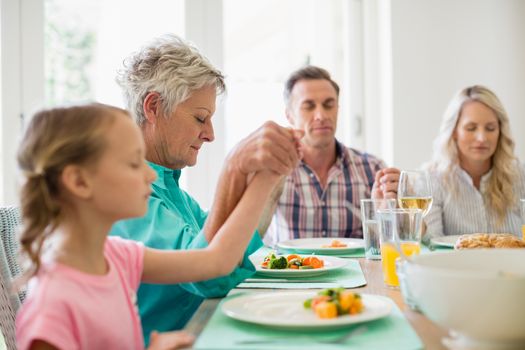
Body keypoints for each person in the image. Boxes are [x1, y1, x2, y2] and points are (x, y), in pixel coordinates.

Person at [15, 103, 283, 350]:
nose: (151, 174)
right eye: (134, 163)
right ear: (80, 182)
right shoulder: (51, 310)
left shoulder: (118, 256)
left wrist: (267, 177)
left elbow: (217, 260)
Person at [109, 34, 302, 343]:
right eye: (201, 117)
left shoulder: (173, 193)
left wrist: (270, 178)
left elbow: (232, 247)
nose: (209, 134)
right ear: (154, 106)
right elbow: (209, 274)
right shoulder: (125, 198)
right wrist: (233, 168)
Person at [264, 66, 400, 246]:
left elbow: (395, 245)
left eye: (329, 105)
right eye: (309, 106)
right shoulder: (274, 169)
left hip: (356, 273)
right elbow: (249, 239)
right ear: (289, 115)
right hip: (292, 273)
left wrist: (387, 214)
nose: (321, 115)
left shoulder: (373, 168)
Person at [423, 85, 525, 238]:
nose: (481, 138)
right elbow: (430, 241)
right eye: (471, 128)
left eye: (490, 128)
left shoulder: (520, 176)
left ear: (500, 132)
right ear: (454, 131)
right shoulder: (430, 179)